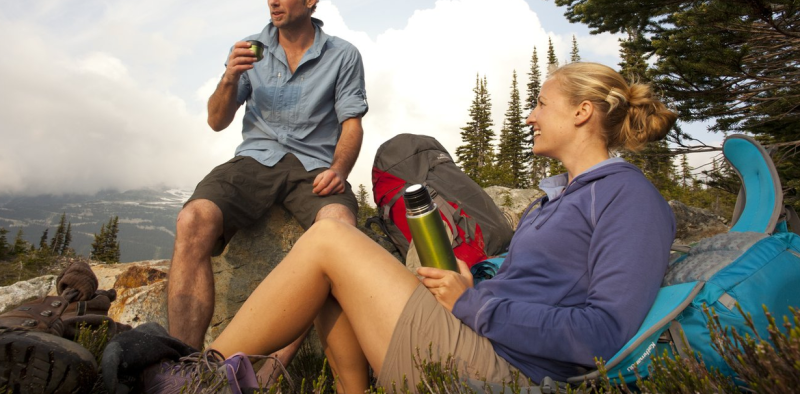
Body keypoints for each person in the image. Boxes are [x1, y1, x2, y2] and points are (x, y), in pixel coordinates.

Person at [152, 62, 677, 392]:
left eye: (542, 103)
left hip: (504, 370)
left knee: (332, 238)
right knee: (337, 277)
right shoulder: (559, 196)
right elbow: (542, 287)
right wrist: (474, 284)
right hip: (477, 336)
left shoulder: (626, 196)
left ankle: (197, 380)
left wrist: (473, 304)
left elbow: (605, 333)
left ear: (583, 112)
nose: (532, 115)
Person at [167, 0, 368, 362]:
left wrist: (339, 171)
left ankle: (274, 368)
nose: (273, 2)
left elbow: (351, 125)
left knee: (339, 227)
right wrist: (228, 78)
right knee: (193, 219)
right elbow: (216, 121)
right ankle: (184, 363)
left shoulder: (343, 55)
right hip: (254, 160)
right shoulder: (248, 49)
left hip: (313, 165)